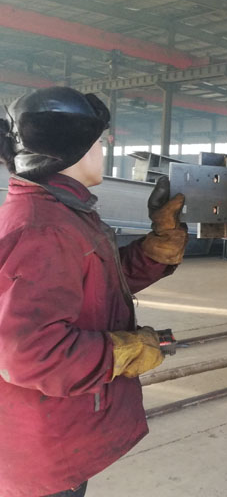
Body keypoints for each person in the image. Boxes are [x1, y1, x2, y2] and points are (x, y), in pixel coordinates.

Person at [0, 87, 189, 497]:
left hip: (58, 430)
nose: (102, 151)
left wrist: (159, 245)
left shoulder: (62, 213)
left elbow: (96, 285)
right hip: (45, 447)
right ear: (73, 150)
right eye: (99, 141)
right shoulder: (44, 227)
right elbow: (29, 351)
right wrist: (122, 351)